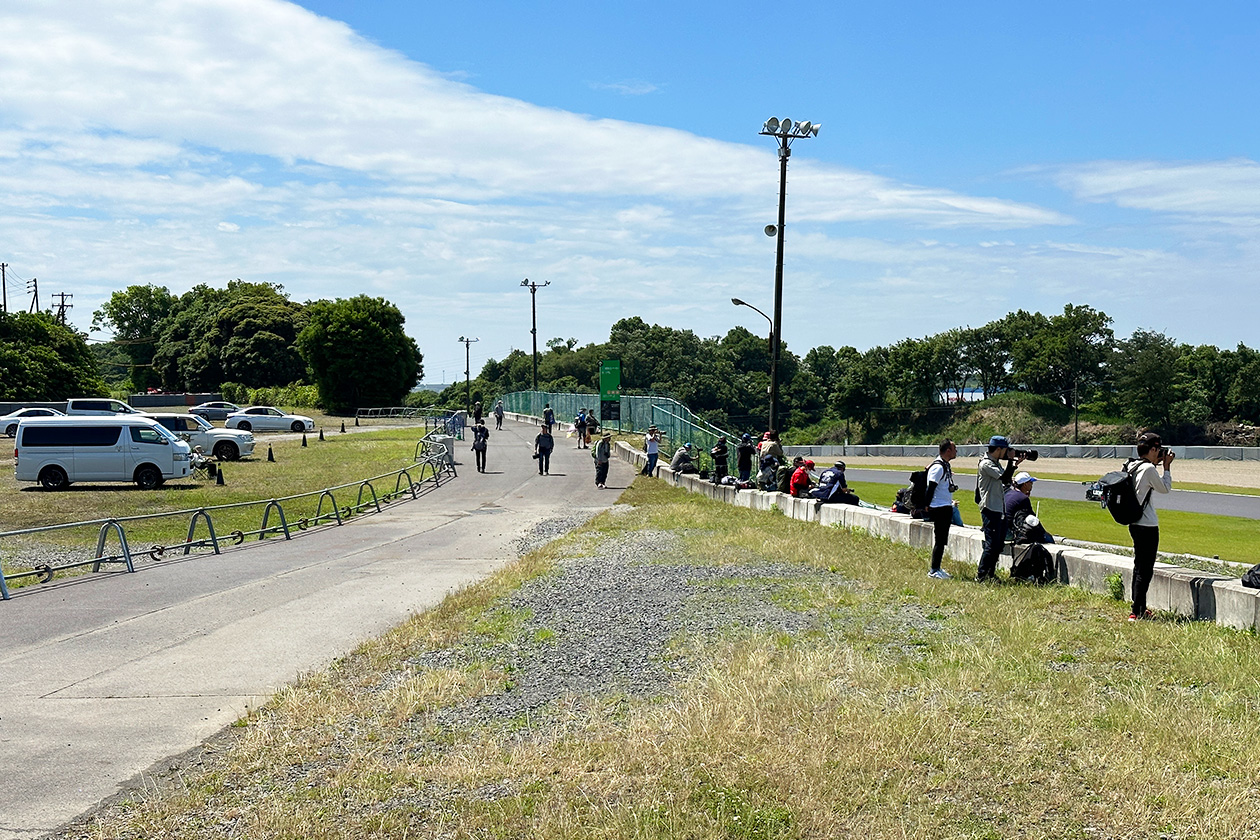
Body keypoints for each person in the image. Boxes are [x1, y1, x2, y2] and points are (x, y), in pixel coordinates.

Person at [1127, 432, 1174, 621]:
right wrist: (1167, 467)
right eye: (1158, 450)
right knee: (1145, 570)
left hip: (1134, 522)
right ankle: (1136, 612)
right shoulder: (1148, 469)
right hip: (1147, 525)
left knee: (1139, 566)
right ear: (1153, 449)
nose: (1160, 453)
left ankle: (1139, 607)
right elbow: (1165, 488)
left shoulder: (1132, 465)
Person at [975, 435, 1024, 582]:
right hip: (990, 507)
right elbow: (1003, 478)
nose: (1006, 453)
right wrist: (1010, 460)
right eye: (1005, 450)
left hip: (998, 508)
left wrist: (1014, 465)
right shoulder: (986, 464)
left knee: (998, 544)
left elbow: (1007, 479)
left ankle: (990, 574)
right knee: (991, 544)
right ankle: (982, 575)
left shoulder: (995, 463)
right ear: (998, 449)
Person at [925, 439, 958, 580]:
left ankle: (937, 567)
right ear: (948, 450)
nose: (956, 452)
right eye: (954, 449)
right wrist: (927, 505)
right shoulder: (938, 467)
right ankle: (934, 570)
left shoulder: (945, 465)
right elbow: (931, 487)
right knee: (940, 539)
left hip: (945, 505)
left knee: (942, 539)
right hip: (939, 507)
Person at [1004, 472, 1054, 544]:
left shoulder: (1009, 493)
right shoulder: (1023, 498)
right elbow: (1031, 517)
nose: (1032, 484)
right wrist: (1043, 532)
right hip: (1007, 533)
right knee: (1048, 538)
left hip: (1001, 529)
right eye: (1030, 482)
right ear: (1025, 484)